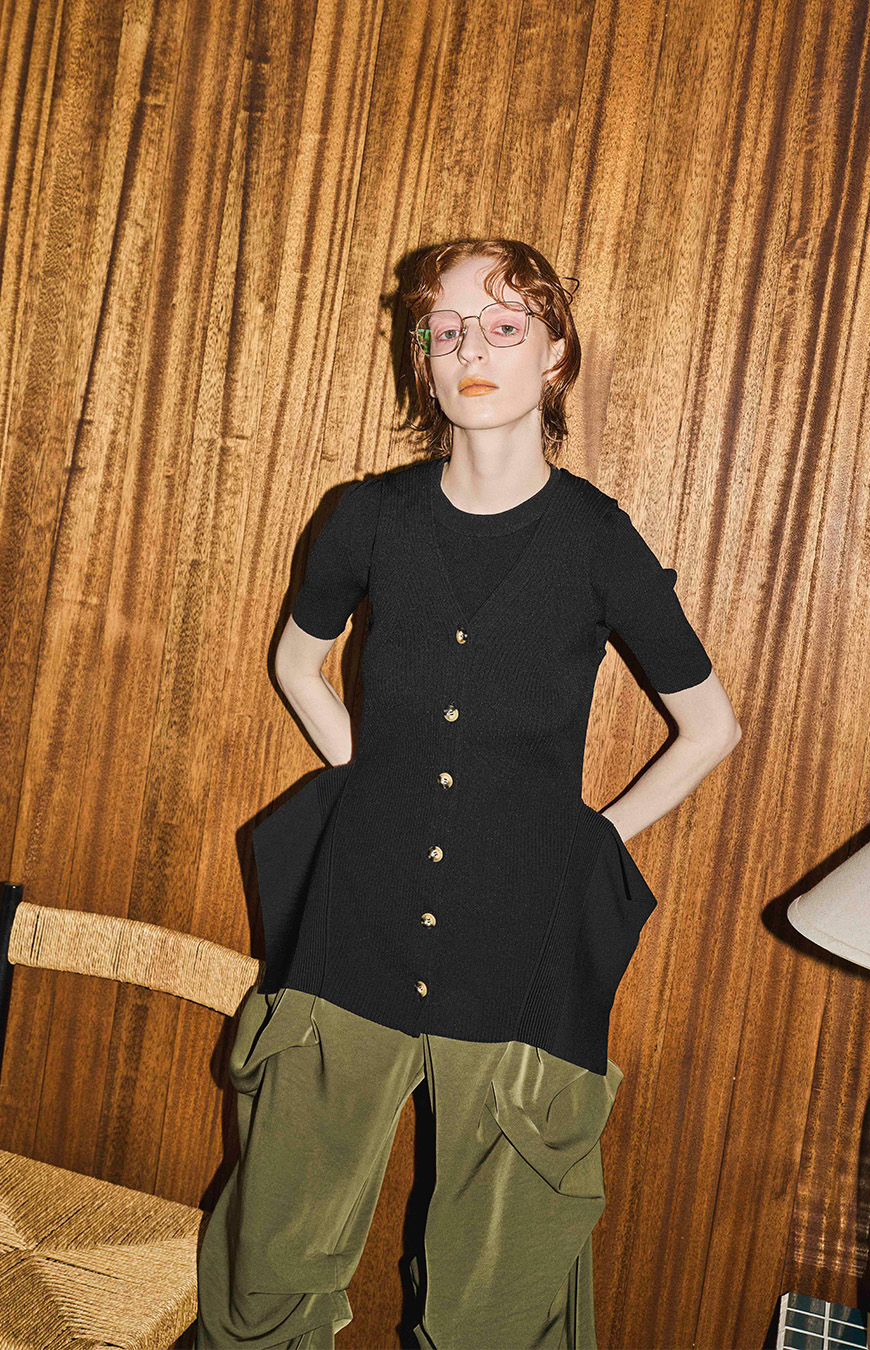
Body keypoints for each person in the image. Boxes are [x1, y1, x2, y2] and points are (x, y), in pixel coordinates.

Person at [195, 237, 742, 1349]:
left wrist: (588, 841)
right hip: (356, 923)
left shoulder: (597, 540)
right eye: (445, 331)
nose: (471, 350)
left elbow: (710, 727)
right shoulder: (370, 518)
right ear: (422, 359)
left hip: (521, 946)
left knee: (500, 1283)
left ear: (555, 356)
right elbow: (297, 662)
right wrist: (365, 773)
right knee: (275, 1248)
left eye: (502, 326)